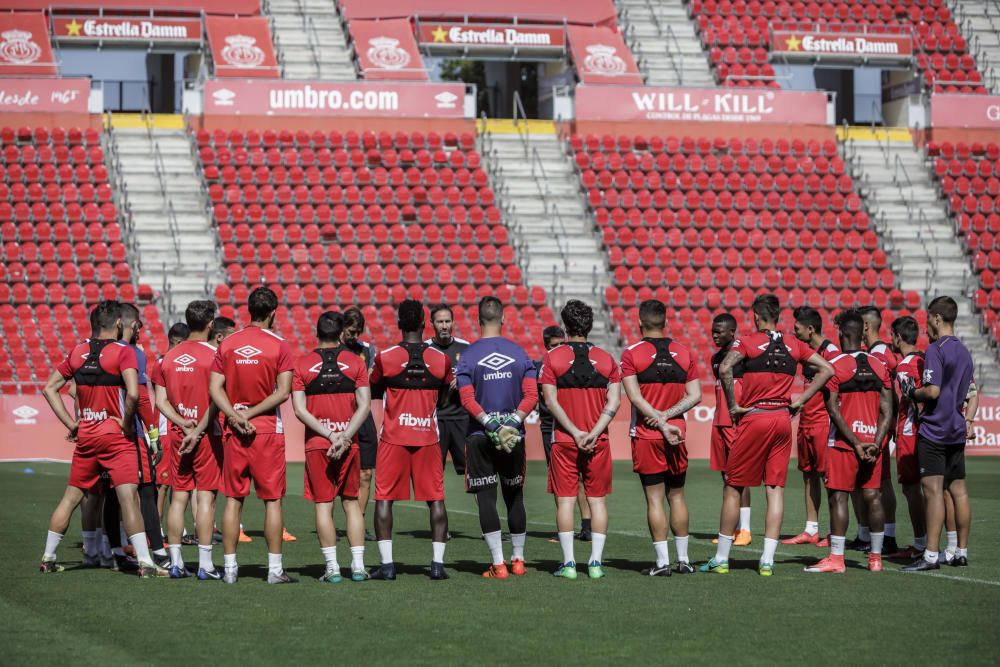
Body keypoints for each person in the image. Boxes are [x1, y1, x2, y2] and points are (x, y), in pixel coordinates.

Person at [703, 294, 834, 576]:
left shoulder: (747, 341)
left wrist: (734, 405)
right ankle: (767, 561)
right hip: (782, 420)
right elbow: (827, 369)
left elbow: (726, 367)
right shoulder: (794, 344)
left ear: (756, 317)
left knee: (733, 486)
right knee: (775, 489)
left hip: (755, 417)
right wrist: (801, 399)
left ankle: (722, 558)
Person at [39, 300, 167, 576]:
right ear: (119, 324)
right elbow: (134, 394)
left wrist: (72, 424)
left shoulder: (77, 352)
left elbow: (50, 388)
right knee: (128, 497)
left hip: (86, 434)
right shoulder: (124, 353)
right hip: (115, 436)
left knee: (71, 497)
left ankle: (48, 557)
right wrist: (126, 422)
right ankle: (145, 563)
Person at [209, 287, 295, 584]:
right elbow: (283, 393)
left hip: (234, 430)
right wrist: (250, 414)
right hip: (267, 429)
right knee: (272, 501)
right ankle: (274, 571)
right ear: (273, 312)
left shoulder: (228, 343)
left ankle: (230, 570)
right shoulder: (280, 345)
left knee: (233, 499)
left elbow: (214, 388)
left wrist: (235, 415)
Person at [368, 300, 453, 581]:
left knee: (384, 499)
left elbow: (374, 388)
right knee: (436, 499)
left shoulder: (386, 357)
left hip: (393, 437)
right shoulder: (441, 359)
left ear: (399, 325)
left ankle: (388, 566)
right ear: (424, 325)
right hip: (427, 437)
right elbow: (443, 395)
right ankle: (438, 566)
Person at [805, 310, 893, 573]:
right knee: (873, 496)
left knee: (839, 498)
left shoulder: (835, 366)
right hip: (872, 443)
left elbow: (833, 409)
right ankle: (876, 559)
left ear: (842, 334)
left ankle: (837, 559)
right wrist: (876, 442)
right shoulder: (879, 364)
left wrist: (854, 442)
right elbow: (887, 410)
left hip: (845, 444)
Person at [456, 297, 538, 578]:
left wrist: (492, 426)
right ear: (503, 319)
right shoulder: (519, 353)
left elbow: (466, 398)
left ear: (478, 320)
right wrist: (510, 424)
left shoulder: (468, 355)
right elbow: (532, 395)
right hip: (513, 437)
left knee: (487, 499)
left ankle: (498, 564)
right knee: (515, 497)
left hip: (480, 435)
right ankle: (519, 560)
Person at [540, 299, 621, 580]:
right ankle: (596, 564)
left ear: (565, 326)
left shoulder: (552, 358)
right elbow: (614, 401)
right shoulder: (607, 358)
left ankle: (570, 564)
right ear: (590, 325)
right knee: (597, 502)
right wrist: (594, 432)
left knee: (566, 501)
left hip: (565, 440)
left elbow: (550, 401)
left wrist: (575, 432)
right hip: (597, 441)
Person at [291, 311, 372, 583]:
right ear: (340, 334)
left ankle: (333, 568)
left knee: (323, 506)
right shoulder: (356, 362)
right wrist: (345, 436)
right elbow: (364, 405)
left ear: (316, 333)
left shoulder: (302, 365)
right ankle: (358, 567)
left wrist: (329, 435)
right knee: (351, 505)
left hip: (318, 445)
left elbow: (300, 410)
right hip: (349, 445)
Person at [620, 300, 697, 576]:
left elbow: (634, 396)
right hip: (677, 433)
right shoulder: (684, 352)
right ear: (666, 322)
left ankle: (663, 564)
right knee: (676, 495)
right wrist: (668, 417)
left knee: (654, 499)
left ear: (639, 322)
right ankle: (685, 560)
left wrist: (659, 421)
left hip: (647, 434)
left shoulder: (631, 354)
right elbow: (696, 395)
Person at [153, 300, 225, 580]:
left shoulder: (167, 358)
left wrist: (183, 423)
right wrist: (196, 430)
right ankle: (206, 565)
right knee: (205, 498)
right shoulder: (217, 355)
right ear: (210, 325)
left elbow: (160, 401)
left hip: (178, 434)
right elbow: (218, 400)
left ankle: (176, 563)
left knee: (178, 499)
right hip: (207, 435)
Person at [901, 297, 974, 571]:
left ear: (936, 318)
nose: (927, 325)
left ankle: (930, 555)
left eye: (928, 319)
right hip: (956, 428)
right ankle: (961, 552)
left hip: (935, 430)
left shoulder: (935, 349)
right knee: (959, 492)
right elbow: (968, 393)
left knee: (932, 493)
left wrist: (911, 392)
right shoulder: (965, 351)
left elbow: (932, 390)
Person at [783, 306, 840, 545]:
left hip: (823, 424)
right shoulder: (805, 352)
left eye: (797, 329)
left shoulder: (831, 351)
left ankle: (834, 532)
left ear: (811, 328)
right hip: (806, 422)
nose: (794, 333)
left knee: (829, 478)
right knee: (808, 476)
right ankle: (811, 529)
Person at [537, 326, 593, 543]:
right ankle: (566, 528)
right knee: (561, 479)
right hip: (551, 427)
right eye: (553, 346)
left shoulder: (573, 365)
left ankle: (586, 526)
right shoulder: (541, 367)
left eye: (561, 345)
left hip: (576, 425)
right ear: (546, 346)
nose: (558, 349)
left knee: (581, 478)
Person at [856, 306, 900, 554]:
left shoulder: (881, 353)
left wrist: (890, 421)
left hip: (880, 427)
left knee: (882, 482)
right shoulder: (873, 352)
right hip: (873, 425)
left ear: (865, 326)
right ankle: (871, 535)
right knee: (874, 483)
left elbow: (891, 391)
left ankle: (889, 537)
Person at [709, 313, 752, 547]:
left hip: (736, 423)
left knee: (739, 476)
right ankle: (732, 528)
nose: (714, 334)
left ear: (732, 332)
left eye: (719, 331)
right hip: (719, 422)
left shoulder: (742, 355)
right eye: (713, 330)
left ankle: (745, 529)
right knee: (726, 477)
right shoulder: (715, 358)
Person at [889, 316, 927, 559]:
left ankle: (921, 544)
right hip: (926, 433)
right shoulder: (923, 360)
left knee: (911, 489)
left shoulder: (904, 367)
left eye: (892, 335)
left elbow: (916, 402)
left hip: (910, 432)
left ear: (898, 337)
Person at [342, 307, 379, 542]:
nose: (353, 335)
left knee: (366, 472)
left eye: (357, 331)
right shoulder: (333, 349)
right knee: (340, 472)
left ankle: (359, 522)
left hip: (363, 416)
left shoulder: (368, 350)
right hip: (339, 415)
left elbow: (370, 378)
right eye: (350, 330)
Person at [426, 305, 470, 477]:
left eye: (447, 321)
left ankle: (483, 505)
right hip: (435, 419)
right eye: (440, 322)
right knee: (434, 473)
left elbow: (477, 379)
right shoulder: (425, 349)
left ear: (452, 323)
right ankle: (437, 505)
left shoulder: (466, 348)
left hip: (462, 419)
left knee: (473, 472)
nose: (444, 326)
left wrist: (463, 380)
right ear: (432, 324)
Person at [153, 322, 189, 522]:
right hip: (165, 426)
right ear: (177, 342)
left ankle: (180, 529)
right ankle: (156, 533)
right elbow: (162, 399)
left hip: (177, 423)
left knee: (179, 481)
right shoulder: (163, 363)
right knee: (163, 483)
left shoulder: (177, 361)